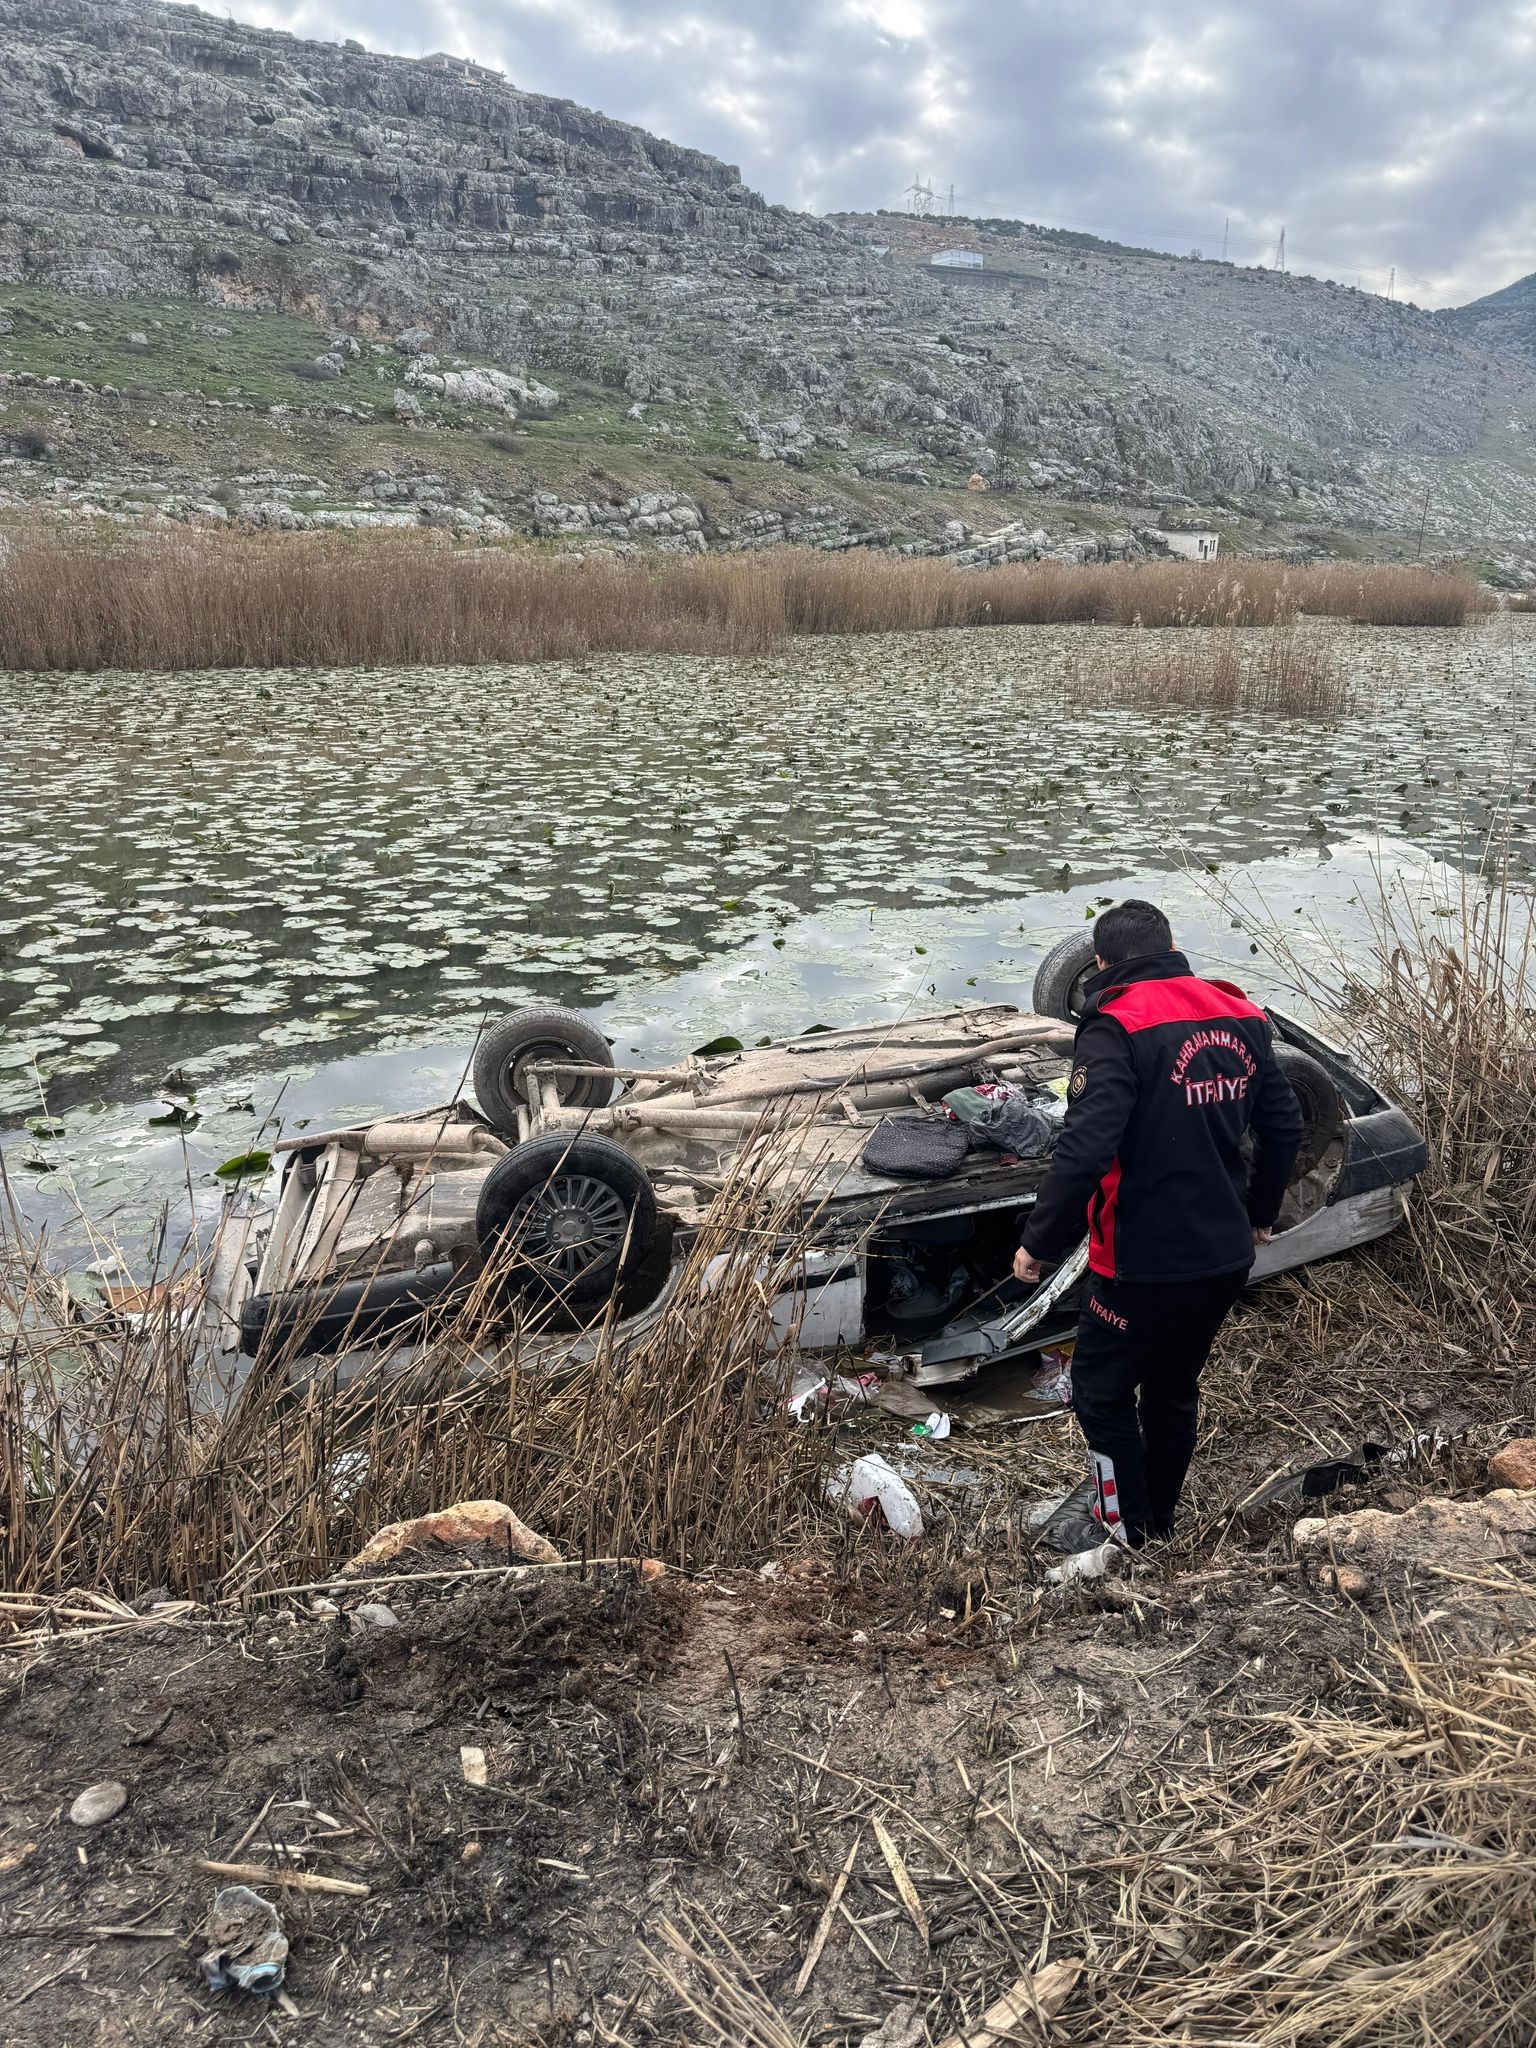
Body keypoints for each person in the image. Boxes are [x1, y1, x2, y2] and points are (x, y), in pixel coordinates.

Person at [1014, 900, 1303, 1553]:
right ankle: (1157, 1523)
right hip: (1224, 1253)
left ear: (1101, 964)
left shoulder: (1114, 1026)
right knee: (1172, 1390)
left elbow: (1085, 1149)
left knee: (1099, 1393)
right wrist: (1260, 1215)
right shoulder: (1240, 1012)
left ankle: (1123, 1529)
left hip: (1142, 1261)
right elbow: (1285, 1125)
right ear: (1170, 945)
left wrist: (1040, 1242)